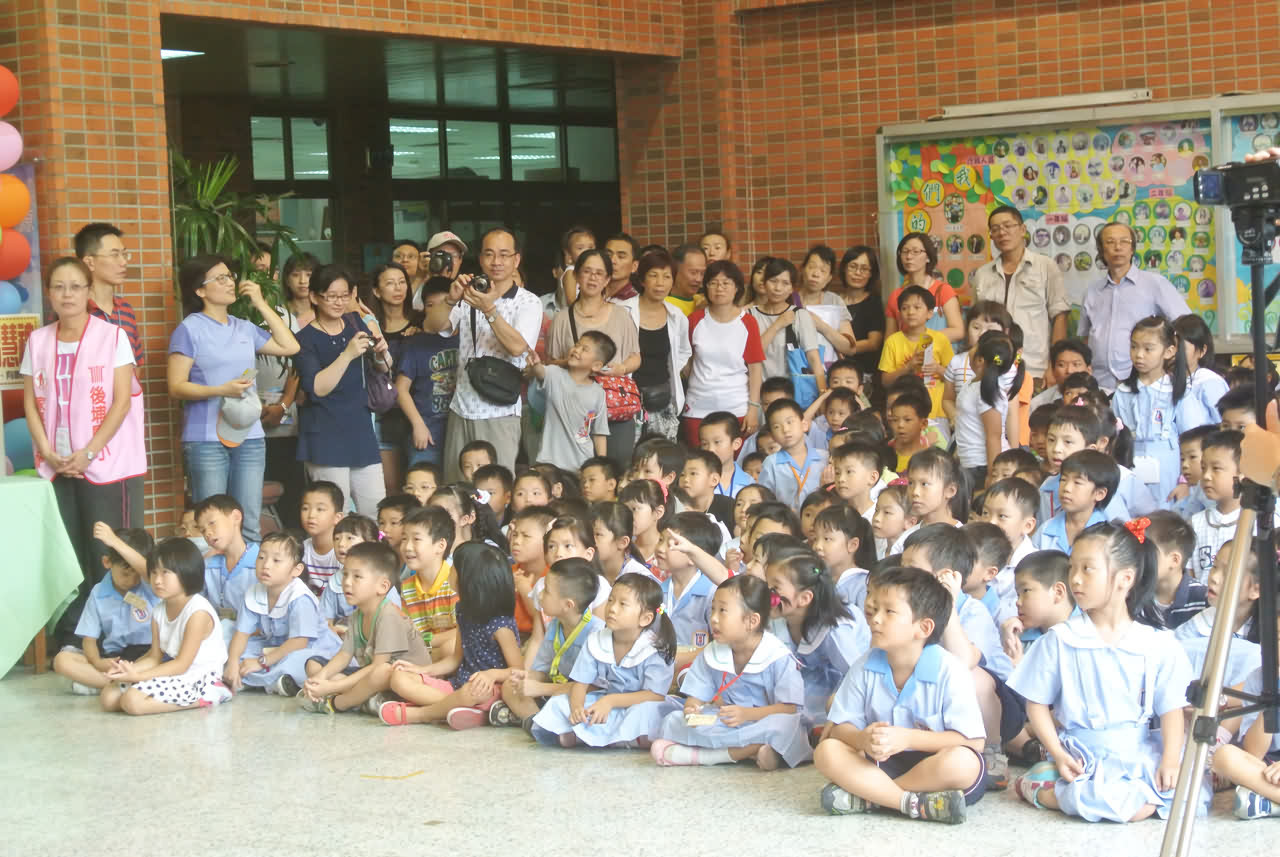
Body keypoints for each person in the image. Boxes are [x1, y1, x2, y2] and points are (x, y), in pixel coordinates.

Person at [1009, 520, 1192, 823]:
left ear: (1125, 578)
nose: (1075, 579)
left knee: (1178, 793)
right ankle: (1045, 789)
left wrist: (1170, 760)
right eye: (1072, 568)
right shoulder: (1061, 639)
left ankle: (1049, 787)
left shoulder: (1157, 643)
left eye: (1087, 569)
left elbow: (1171, 708)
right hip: (1081, 755)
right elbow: (1036, 704)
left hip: (1137, 752)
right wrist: (1058, 753)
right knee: (1126, 806)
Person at [816, 567, 987, 823]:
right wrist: (862, 739)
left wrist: (907, 738)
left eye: (889, 612)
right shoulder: (864, 665)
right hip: (883, 762)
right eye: (874, 610)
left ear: (923, 627)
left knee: (963, 763)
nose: (875, 619)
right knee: (827, 751)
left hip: (935, 766)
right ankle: (909, 803)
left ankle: (872, 796)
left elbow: (974, 742)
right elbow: (838, 728)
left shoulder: (950, 670)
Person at [22, 257, 146, 604]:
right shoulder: (38, 340)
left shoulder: (112, 337)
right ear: (48, 293)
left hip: (107, 465)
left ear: (89, 291)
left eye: (76, 287)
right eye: (59, 287)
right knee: (68, 554)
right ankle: (77, 627)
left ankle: (123, 624)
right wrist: (47, 451)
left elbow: (121, 402)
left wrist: (90, 451)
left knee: (109, 552)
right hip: (57, 464)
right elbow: (31, 402)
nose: (67, 295)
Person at [168, 255, 300, 541]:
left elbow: (290, 346)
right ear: (200, 290)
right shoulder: (189, 329)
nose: (230, 283)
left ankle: (248, 571)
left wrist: (261, 304)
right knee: (211, 524)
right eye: (221, 278)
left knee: (249, 522)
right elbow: (176, 386)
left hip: (249, 436)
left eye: (230, 276)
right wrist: (220, 390)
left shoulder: (244, 327)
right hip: (206, 440)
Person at [651, 575, 810, 769]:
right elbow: (696, 697)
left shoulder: (778, 656)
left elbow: (790, 709)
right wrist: (692, 709)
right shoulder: (712, 652)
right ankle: (754, 751)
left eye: (723, 611)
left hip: (762, 720)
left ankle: (711, 756)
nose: (713, 618)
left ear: (751, 621)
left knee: (785, 727)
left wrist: (747, 714)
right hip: (727, 721)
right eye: (713, 610)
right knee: (672, 720)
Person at [381, 542, 524, 729]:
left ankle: (421, 714)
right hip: (460, 685)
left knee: (470, 693)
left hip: (488, 691)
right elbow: (455, 659)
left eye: (454, 568)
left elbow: (518, 671)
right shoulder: (463, 610)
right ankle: (461, 709)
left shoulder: (500, 625)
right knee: (399, 678)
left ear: (470, 580)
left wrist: (491, 675)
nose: (449, 570)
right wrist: (421, 670)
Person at [441, 228, 542, 480]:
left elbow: (517, 347)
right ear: (480, 258)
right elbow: (435, 327)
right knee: (456, 486)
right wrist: (450, 300)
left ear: (516, 260)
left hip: (499, 411)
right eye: (489, 254)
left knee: (494, 487)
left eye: (504, 255)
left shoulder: (528, 302)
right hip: (460, 407)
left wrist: (489, 310)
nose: (496, 261)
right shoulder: (468, 295)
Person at [530, 571, 675, 747]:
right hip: (604, 701)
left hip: (636, 704)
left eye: (623, 604)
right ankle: (614, 737)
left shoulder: (655, 648)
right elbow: (580, 684)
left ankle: (586, 735)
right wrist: (577, 708)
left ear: (645, 618)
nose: (612, 608)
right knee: (560, 702)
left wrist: (610, 701)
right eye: (611, 600)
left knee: (647, 713)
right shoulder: (596, 640)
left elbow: (654, 695)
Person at [295, 264, 392, 517]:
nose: (339, 302)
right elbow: (317, 388)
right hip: (325, 434)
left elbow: (384, 367)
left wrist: (381, 351)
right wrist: (347, 354)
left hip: (360, 430)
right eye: (331, 296)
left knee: (376, 511)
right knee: (334, 515)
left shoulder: (356, 322)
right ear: (314, 297)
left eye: (344, 295)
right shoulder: (305, 339)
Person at [99, 539, 231, 715]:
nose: (157, 580)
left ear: (186, 572)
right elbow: (154, 657)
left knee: (132, 701)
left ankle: (211, 695)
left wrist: (138, 677)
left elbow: (182, 664)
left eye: (165, 573)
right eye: (154, 572)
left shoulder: (198, 612)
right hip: (174, 671)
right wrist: (127, 670)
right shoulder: (159, 611)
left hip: (200, 676)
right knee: (108, 698)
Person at [297, 541, 429, 714]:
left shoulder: (389, 615)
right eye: (345, 574)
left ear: (382, 586)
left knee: (380, 672)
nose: (347, 582)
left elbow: (378, 667)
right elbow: (344, 655)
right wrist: (320, 678)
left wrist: (332, 686)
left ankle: (340, 701)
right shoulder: (357, 615)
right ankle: (365, 699)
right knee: (314, 665)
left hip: (404, 681)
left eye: (357, 577)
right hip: (371, 677)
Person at [548, 248, 640, 465]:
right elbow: (551, 363)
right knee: (576, 472)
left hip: (614, 407)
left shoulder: (621, 315)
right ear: (577, 276)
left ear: (607, 279)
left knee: (616, 469)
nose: (593, 278)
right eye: (587, 271)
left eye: (599, 273)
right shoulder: (562, 319)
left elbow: (636, 357)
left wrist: (621, 369)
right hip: (574, 410)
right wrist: (576, 363)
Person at [223, 531, 342, 695]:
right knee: (228, 645)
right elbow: (241, 634)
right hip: (274, 646)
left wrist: (261, 662)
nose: (266, 565)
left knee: (302, 662)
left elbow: (299, 643)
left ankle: (266, 679)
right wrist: (232, 662)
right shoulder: (253, 593)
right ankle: (267, 680)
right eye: (261, 557)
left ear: (296, 570)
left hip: (310, 648)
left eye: (276, 560)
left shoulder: (300, 598)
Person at [1078, 222, 1191, 390]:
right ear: (1101, 250)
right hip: (1099, 382)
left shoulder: (1155, 284)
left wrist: (1173, 364)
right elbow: (1085, 337)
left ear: (1132, 249)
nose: (1118, 247)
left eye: (1124, 241)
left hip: (1144, 381)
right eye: (1110, 242)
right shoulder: (1092, 291)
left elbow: (1186, 325)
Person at [766, 548, 869, 728]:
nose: (766, 594)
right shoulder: (778, 618)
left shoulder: (835, 631)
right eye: (766, 585)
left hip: (843, 685)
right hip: (806, 678)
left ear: (805, 598)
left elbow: (857, 675)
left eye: (774, 589)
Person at [53, 526, 157, 694]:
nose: (132, 581)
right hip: (116, 657)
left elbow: (146, 569)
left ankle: (106, 685)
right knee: (62, 660)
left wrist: (115, 542)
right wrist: (97, 662)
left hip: (149, 655)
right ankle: (121, 684)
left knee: (162, 662)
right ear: (107, 562)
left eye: (136, 574)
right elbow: (89, 640)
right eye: (125, 574)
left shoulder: (150, 584)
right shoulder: (98, 593)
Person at [974, 206, 1069, 383]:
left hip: (1034, 369)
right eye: (995, 229)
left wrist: (1054, 364)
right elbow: (976, 323)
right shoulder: (982, 274)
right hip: (992, 368)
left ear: (1022, 230)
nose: (1002, 233)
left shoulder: (1045, 267)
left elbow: (1060, 316)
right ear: (991, 236)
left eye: (1007, 226)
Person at [1112, 316, 1203, 503]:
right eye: (1134, 347)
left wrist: (1185, 482)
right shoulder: (1123, 392)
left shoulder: (1179, 392)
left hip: (1170, 475)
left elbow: (1194, 439)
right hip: (1131, 467)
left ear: (1169, 351)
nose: (1139, 354)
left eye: (1148, 349)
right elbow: (1115, 438)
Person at [258, 252, 316, 531]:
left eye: (309, 274)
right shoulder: (240, 315)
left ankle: (295, 535)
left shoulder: (287, 316)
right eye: (296, 274)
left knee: (295, 481)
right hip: (256, 414)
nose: (303, 281)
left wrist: (285, 402)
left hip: (296, 411)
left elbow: (297, 364)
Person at [682, 260, 765, 443]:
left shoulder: (748, 323)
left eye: (726, 283)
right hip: (698, 407)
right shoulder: (694, 320)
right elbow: (685, 362)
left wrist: (753, 408)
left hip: (736, 407)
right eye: (713, 283)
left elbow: (755, 369)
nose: (719, 288)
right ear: (706, 287)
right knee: (699, 459)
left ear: (737, 288)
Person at [616, 249, 691, 442]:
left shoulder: (677, 316)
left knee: (661, 455)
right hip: (627, 399)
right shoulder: (622, 311)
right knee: (629, 455)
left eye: (667, 276)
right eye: (653, 275)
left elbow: (683, 351)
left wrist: (672, 369)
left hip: (662, 400)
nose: (660, 283)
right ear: (642, 280)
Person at [367, 261, 424, 493]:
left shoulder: (421, 321)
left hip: (419, 411)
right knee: (390, 486)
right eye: (390, 283)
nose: (398, 288)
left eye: (402, 282)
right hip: (384, 414)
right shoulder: (370, 327)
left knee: (419, 485)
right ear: (376, 291)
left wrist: (422, 335)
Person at [394, 276, 458, 468]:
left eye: (444, 303)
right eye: (431, 305)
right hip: (428, 427)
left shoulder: (468, 337)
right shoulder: (416, 343)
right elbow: (401, 389)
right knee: (423, 479)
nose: (438, 310)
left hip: (458, 425)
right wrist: (418, 424)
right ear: (423, 308)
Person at [748, 257, 827, 402]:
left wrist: (823, 395)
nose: (778, 288)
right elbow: (752, 354)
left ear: (792, 288)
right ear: (764, 283)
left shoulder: (799, 315)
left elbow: (814, 359)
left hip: (792, 394)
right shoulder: (750, 315)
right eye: (773, 281)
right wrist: (778, 325)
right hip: (758, 395)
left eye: (785, 283)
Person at [74, 222, 144, 370]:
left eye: (124, 254)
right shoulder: (73, 311)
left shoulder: (126, 309)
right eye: (114, 255)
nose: (123, 262)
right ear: (90, 263)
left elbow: (136, 365)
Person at [880, 286, 955, 422]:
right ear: (899, 313)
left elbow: (955, 377)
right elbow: (885, 381)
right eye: (905, 308)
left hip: (937, 411)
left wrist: (937, 368)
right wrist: (907, 368)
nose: (910, 312)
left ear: (929, 313)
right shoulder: (892, 341)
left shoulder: (940, 339)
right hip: (903, 414)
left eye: (917, 307)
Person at [953, 331, 1018, 483]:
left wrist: (992, 474)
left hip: (982, 466)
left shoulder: (988, 390)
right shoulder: (974, 383)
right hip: (971, 463)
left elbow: (993, 435)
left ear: (980, 360)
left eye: (975, 346)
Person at [195, 493, 260, 644]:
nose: (208, 533)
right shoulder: (207, 566)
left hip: (253, 641)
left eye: (212, 523)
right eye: (203, 530)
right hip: (215, 639)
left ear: (236, 517)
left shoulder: (262, 563)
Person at [884, 232, 964, 344]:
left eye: (916, 251)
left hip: (938, 353)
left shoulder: (943, 290)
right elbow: (889, 339)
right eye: (905, 251)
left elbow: (958, 331)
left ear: (928, 257)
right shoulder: (896, 295)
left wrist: (923, 341)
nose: (909, 256)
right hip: (907, 354)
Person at [1190, 429, 1246, 582]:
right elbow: (1190, 576)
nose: (1206, 476)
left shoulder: (1259, 523)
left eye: (1216, 468)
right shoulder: (1195, 523)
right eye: (1203, 468)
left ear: (1243, 473)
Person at [1034, 450, 1117, 553]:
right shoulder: (1045, 531)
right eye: (1063, 480)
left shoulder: (1110, 537)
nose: (1066, 488)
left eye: (1077, 482)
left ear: (1099, 493)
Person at [759, 398, 829, 514]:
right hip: (787, 522)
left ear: (804, 425)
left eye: (790, 422)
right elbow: (765, 501)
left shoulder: (824, 457)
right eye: (777, 427)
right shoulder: (770, 463)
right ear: (772, 436)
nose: (785, 430)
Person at [796, 244, 858, 359]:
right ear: (803, 269)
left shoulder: (834, 301)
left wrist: (821, 326)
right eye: (811, 267)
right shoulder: (788, 300)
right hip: (795, 367)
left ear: (829, 278)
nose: (815, 274)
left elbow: (851, 348)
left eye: (823, 271)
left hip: (828, 366)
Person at [839, 246, 886, 392]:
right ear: (844, 269)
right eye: (853, 266)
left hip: (864, 377)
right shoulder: (834, 301)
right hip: (836, 373)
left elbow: (873, 343)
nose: (858, 273)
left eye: (864, 269)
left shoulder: (873, 303)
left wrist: (843, 347)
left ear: (871, 274)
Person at [812, 503, 875, 608]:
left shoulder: (865, 585)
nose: (817, 546)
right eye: (815, 539)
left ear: (852, 545)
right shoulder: (815, 577)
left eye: (827, 539)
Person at [698, 411, 755, 499]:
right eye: (705, 444)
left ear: (736, 443)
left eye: (717, 442)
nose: (710, 449)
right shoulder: (696, 481)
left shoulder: (749, 483)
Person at [411, 231, 467, 311]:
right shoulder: (418, 289)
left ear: (460, 260)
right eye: (442, 255)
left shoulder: (467, 290)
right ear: (428, 257)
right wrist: (419, 277)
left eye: (453, 255)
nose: (448, 260)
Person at [666, 243, 707, 316]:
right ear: (675, 270)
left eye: (702, 273)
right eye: (693, 273)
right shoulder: (664, 305)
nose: (699, 279)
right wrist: (697, 314)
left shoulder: (702, 300)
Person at [603, 232, 641, 301]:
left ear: (634, 266)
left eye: (621, 256)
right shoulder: (591, 290)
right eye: (608, 255)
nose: (612, 261)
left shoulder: (634, 301)